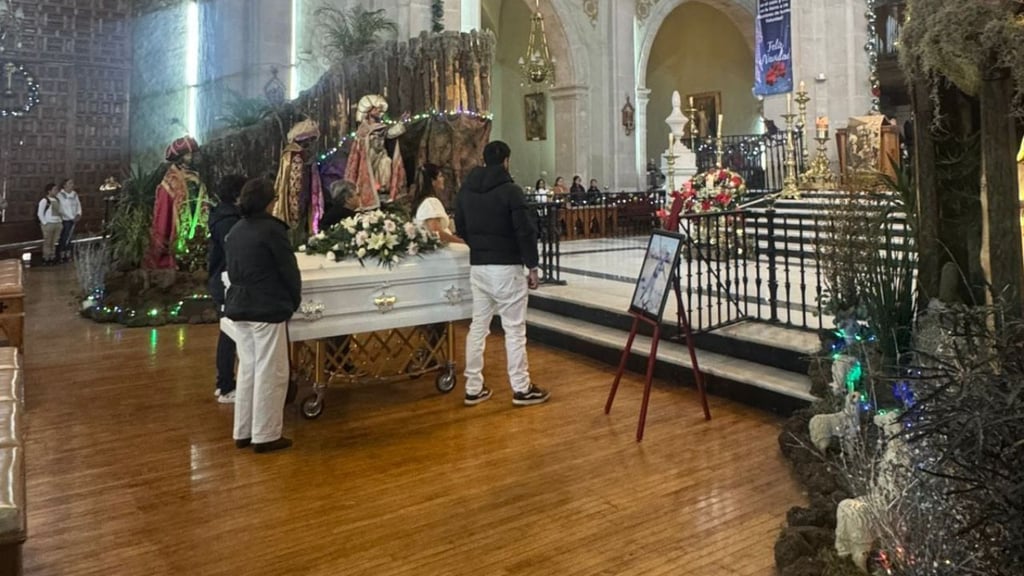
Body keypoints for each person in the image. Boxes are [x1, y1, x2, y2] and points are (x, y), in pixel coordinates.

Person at [454, 140, 549, 407]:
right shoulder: (510, 191)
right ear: (506, 160)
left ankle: (473, 387)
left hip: (479, 267)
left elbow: (460, 226)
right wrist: (532, 266)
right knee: (515, 330)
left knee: (478, 328)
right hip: (506, 267)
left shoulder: (466, 191)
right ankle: (521, 388)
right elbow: (525, 232)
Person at [224, 178, 301, 453]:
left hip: (240, 304)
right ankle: (266, 434)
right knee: (272, 371)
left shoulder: (236, 230)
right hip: (266, 305)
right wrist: (293, 300)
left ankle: (243, 431)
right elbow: (288, 269)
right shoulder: (272, 230)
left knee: (248, 369)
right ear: (271, 202)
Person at [208, 174, 246, 404]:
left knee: (228, 332)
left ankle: (224, 382)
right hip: (226, 281)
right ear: (237, 195)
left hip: (222, 279)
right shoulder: (229, 222)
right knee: (229, 333)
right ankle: (225, 386)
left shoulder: (223, 215)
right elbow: (234, 252)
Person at [145, 136, 208, 269]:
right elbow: (164, 211)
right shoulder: (170, 181)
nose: (192, 157)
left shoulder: (195, 175)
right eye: (188, 154)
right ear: (180, 157)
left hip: (196, 222)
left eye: (193, 153)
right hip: (180, 229)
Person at [345, 94, 409, 210]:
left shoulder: (382, 127)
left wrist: (401, 123)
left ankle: (383, 189)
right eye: (376, 109)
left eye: (380, 110)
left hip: (381, 154)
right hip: (369, 158)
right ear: (369, 111)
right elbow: (359, 146)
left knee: (386, 162)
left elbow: (390, 133)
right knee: (370, 175)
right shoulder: (363, 129)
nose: (379, 112)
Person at [414, 164, 463, 244]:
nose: (443, 179)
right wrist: (461, 241)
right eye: (440, 176)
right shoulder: (430, 202)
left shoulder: (424, 201)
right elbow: (436, 233)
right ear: (433, 181)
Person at [37, 183, 64, 265]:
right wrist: (45, 223)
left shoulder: (57, 200)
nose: (56, 191)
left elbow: (60, 212)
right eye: (54, 189)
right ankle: (46, 258)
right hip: (49, 224)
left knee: (54, 242)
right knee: (48, 242)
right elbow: (40, 213)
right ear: (49, 191)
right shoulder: (45, 200)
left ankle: (52, 256)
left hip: (57, 223)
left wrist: (60, 221)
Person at [56, 178, 82, 263]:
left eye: (72, 183)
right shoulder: (60, 195)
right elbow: (61, 209)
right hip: (65, 220)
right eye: (70, 183)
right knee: (64, 238)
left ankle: (68, 254)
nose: (72, 185)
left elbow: (78, 205)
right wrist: (71, 217)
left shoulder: (74, 194)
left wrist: (78, 214)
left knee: (70, 238)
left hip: (73, 220)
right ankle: (62, 255)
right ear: (64, 185)